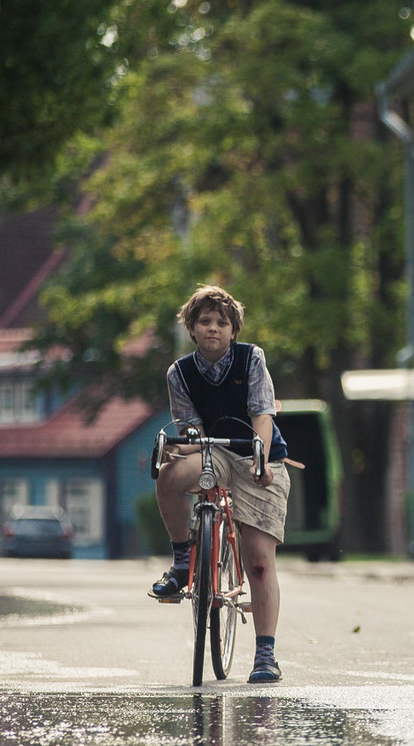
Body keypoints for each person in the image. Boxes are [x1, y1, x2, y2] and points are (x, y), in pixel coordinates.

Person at [149, 284, 293, 683]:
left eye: (221, 323)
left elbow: (262, 413)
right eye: (204, 322)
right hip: (213, 450)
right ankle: (183, 561)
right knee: (168, 470)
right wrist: (184, 449)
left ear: (233, 331)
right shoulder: (179, 372)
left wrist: (261, 458)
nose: (213, 328)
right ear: (192, 330)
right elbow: (189, 424)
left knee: (260, 562)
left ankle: (265, 655)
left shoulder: (251, 359)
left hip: (257, 455)